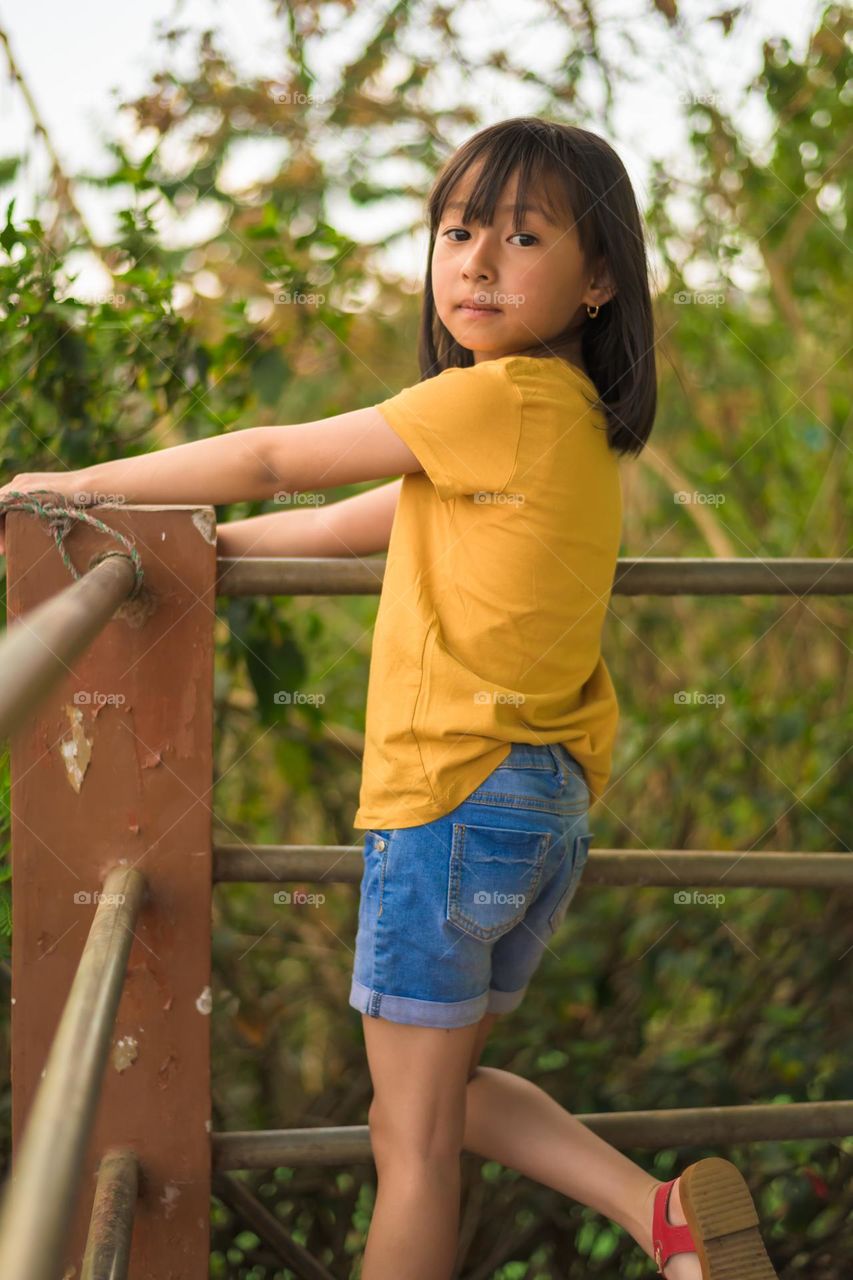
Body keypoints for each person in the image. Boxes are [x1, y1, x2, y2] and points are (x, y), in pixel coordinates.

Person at [0, 116, 779, 1280]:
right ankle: (662, 1218)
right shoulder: (563, 422)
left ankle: (661, 1225)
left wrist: (75, 489)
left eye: (523, 237)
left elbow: (271, 460)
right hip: (539, 807)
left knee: (409, 1144)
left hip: (451, 797)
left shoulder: (496, 398)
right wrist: (165, 554)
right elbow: (322, 525)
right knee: (437, 1094)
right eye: (457, 232)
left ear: (599, 279)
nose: (477, 261)